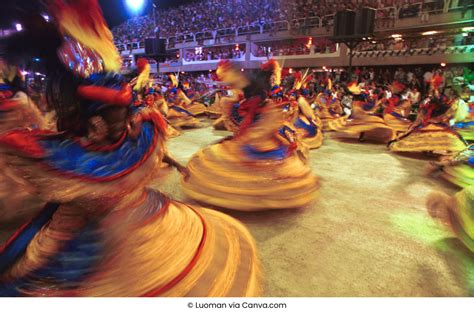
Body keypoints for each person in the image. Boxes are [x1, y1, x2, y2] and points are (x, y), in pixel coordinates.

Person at [0, 1, 260, 297]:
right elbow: (113, 104)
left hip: (109, 156)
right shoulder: (93, 83)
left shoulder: (103, 88)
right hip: (101, 153)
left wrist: (130, 114)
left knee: (101, 220)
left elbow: (120, 103)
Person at [182, 60, 319, 211]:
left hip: (264, 118)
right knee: (236, 147)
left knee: (252, 149)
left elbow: (261, 110)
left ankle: (267, 187)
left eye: (223, 75)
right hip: (258, 115)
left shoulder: (253, 84)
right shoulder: (243, 86)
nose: (222, 79)